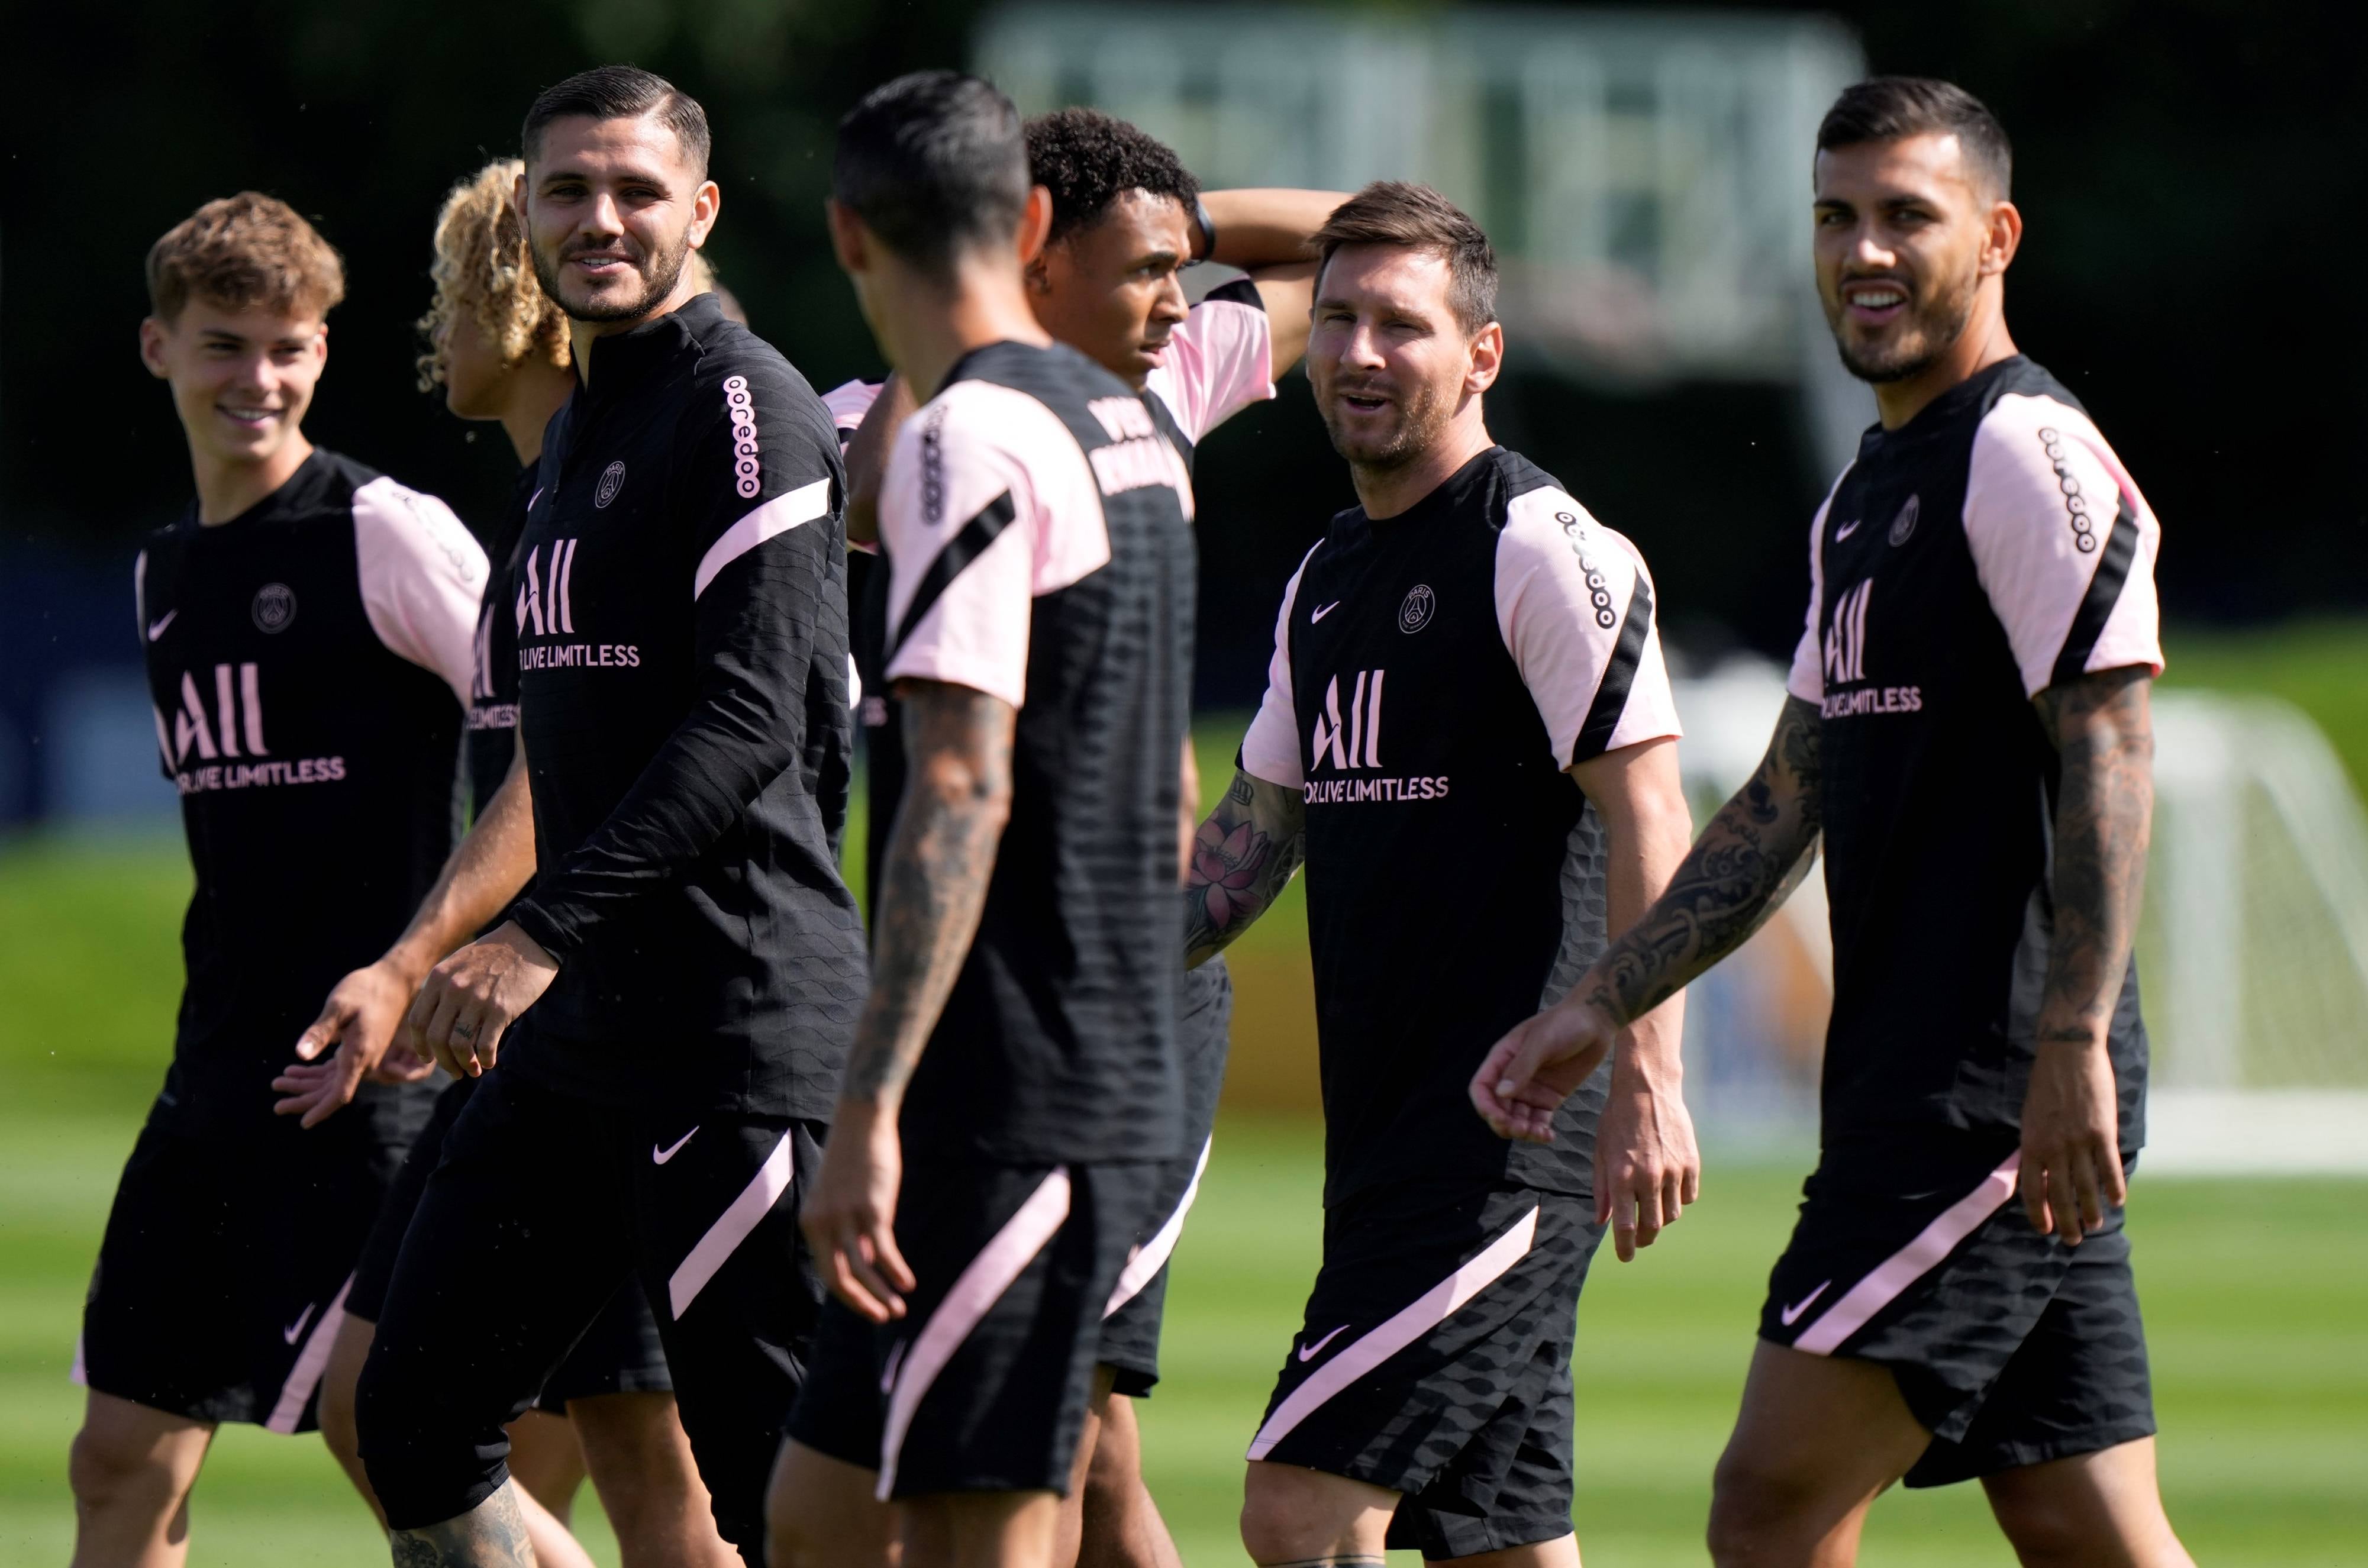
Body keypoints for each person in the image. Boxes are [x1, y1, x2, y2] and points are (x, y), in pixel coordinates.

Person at [1468, 78, 2191, 1567]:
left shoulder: (2024, 449)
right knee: (2085, 1521)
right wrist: (1603, 1003)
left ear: (1994, 237)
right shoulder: (1867, 488)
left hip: (1986, 1098)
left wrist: (2065, 1052)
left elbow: (2116, 745)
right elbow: (1793, 789)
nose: (1863, 251)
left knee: (1772, 1504)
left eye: (1904, 217)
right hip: (1929, 1088)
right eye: (1835, 217)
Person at [350, 65, 862, 1566]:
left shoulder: (743, 403)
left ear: (699, 208)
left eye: (637, 189)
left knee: (781, 1502)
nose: (600, 218)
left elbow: (751, 716)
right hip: (581, 1045)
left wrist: (535, 933)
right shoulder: (580, 434)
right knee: (414, 1416)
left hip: (731, 1023)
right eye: (566, 190)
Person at [833, 105, 1343, 1568]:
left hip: (1085, 1015)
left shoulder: (1153, 374)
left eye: (1183, 272)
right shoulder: (919, 416)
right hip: (985, 1009)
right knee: (1049, 1467)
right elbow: (867, 483)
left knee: (1059, 1456)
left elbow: (1386, 235)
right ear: (1034, 251)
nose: (1178, 299)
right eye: (1144, 270)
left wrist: (1164, 210)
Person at [1187, 182, 1698, 1565]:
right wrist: (1082, 965)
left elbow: (1654, 811)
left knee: (1300, 1509)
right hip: (1385, 1136)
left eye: (1400, 326)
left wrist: (1647, 1080)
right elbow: (1253, 839)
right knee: (1506, 1544)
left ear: (1481, 354)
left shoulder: (1537, 544)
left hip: (1500, 1140)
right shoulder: (1327, 574)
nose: (1357, 352)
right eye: (1336, 318)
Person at [269, 158, 736, 1568]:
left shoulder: (633, 494)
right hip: (537, 1038)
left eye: (446, 296)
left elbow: (566, 780)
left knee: (655, 1471)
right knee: (408, 1407)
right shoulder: (543, 514)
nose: (436, 332)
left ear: (515, 303)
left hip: (644, 1025)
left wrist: (418, 958)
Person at [769, 70, 1196, 1568]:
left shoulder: (969, 437)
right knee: (817, 1519)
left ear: (844, 238)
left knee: (985, 1534)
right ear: (1027, 223)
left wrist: (869, 1106)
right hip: (1077, 1057)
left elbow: (959, 782)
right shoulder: (1128, 423)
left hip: (1017, 1088)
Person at [69, 192, 485, 1568]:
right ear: (156, 348)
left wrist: (427, 969)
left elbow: (558, 736)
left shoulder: (386, 527)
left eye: (290, 347)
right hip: (217, 1078)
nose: (259, 378)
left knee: (408, 1457)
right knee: (121, 1454)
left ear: (324, 351)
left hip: (369, 1091)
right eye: (224, 344)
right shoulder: (164, 571)